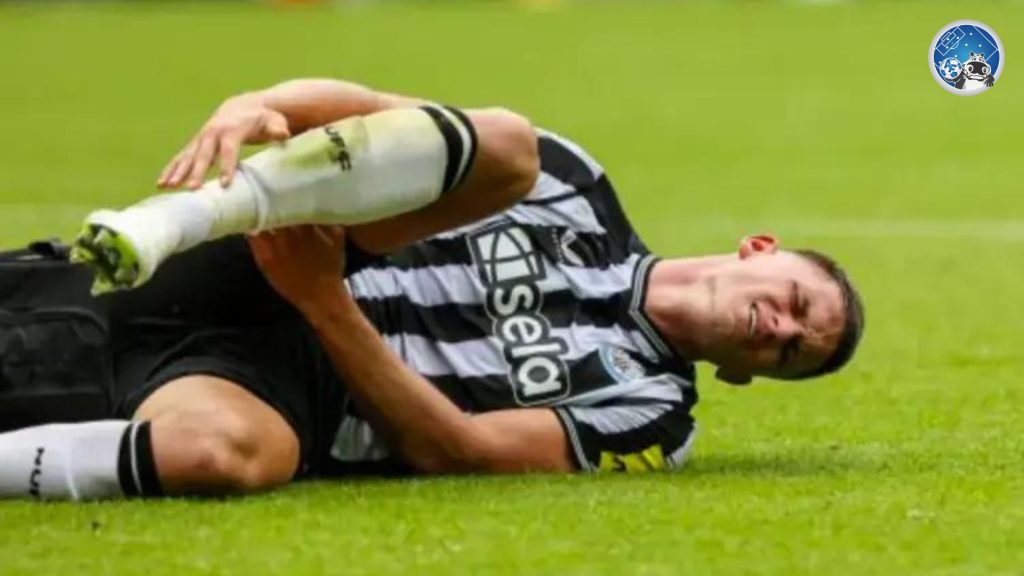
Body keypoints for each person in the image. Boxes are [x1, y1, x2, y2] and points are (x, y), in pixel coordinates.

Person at [0, 79, 864, 501]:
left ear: (753, 377)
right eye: (795, 301)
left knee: (228, 461)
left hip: (307, 390)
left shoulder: (652, 418)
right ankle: (175, 224)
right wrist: (260, 103)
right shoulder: (576, 185)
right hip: (293, 243)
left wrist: (324, 306)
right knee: (508, 145)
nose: (779, 327)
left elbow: (460, 453)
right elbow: (369, 108)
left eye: (791, 350)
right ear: (760, 248)